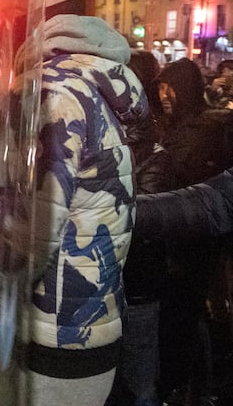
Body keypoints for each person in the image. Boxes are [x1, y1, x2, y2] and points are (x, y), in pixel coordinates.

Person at [0, 0, 145, 405]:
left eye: (6, 17)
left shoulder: (55, 91)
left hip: (54, 330)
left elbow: (39, 224)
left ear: (34, 11)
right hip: (94, 319)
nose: (3, 33)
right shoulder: (98, 79)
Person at [151, 58, 233, 406]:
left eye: (171, 88)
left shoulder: (211, 128)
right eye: (160, 88)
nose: (165, 96)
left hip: (196, 247)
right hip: (177, 242)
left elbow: (209, 198)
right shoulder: (169, 129)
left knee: (189, 321)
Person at [106, 50, 173, 406]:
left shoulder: (154, 155)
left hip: (139, 283)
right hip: (110, 281)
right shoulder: (111, 145)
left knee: (140, 376)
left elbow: (141, 214)